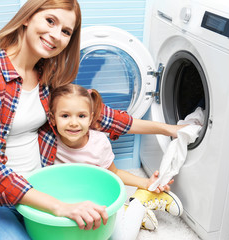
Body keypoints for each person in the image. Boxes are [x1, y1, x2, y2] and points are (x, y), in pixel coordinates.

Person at [0, 0, 183, 239]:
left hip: (43, 184)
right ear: (26, 18)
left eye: (66, 31)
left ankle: (134, 208)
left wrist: (170, 129)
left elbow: (104, 117)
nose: (56, 35)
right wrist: (60, 207)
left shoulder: (47, 76)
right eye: (50, 21)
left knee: (101, 227)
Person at [48, 84, 184, 238]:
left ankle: (140, 201)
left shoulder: (98, 144)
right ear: (52, 118)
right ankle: (130, 213)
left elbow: (115, 173)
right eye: (65, 116)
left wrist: (146, 183)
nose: (73, 122)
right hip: (70, 202)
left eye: (81, 116)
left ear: (91, 118)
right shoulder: (49, 143)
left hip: (102, 199)